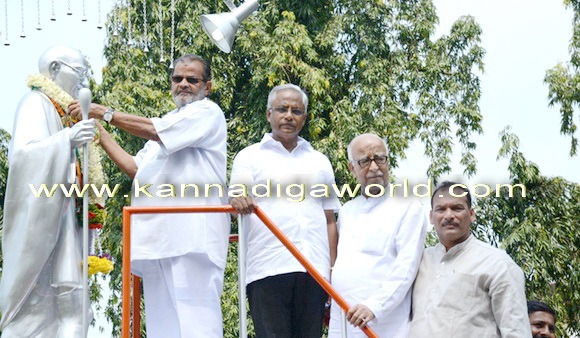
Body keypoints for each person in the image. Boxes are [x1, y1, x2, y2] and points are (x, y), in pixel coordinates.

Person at [69, 54, 230, 337]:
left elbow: (155, 131)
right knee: (163, 327)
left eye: (192, 80)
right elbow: (135, 167)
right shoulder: (169, 121)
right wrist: (100, 132)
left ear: (208, 86)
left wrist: (106, 113)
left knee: (196, 325)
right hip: (157, 239)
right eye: (177, 78)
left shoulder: (207, 112)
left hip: (192, 237)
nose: (183, 84)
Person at [229, 83, 341, 337]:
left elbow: (329, 220)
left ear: (305, 117)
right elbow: (237, 193)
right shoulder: (249, 156)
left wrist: (332, 271)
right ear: (269, 114)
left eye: (296, 110)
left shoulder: (319, 161)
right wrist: (238, 197)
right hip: (268, 267)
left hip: (315, 270)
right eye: (282, 109)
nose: (289, 115)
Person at [0, 45, 95, 337]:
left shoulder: (61, 111)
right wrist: (67, 138)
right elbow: (23, 159)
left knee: (76, 307)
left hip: (63, 218)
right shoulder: (35, 102)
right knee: (43, 307)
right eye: (79, 72)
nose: (85, 81)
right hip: (42, 225)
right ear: (54, 69)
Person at [327, 133, 428, 337]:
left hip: (383, 323)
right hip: (343, 320)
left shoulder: (408, 207)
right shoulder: (347, 210)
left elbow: (406, 267)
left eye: (380, 159)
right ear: (351, 168)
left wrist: (373, 307)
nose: (374, 168)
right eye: (364, 161)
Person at [409, 181, 531, 337]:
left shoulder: (497, 263)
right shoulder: (419, 261)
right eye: (440, 209)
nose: (448, 215)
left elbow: (516, 330)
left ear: (472, 214)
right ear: (431, 217)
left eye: (457, 208)